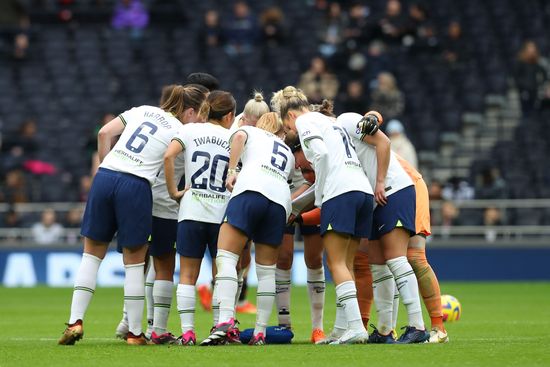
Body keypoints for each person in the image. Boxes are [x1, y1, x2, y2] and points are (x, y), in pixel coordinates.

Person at [58, 85, 192, 346]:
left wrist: (108, 163)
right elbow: (168, 157)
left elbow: (105, 132)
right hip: (136, 184)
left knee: (90, 255)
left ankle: (75, 321)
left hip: (106, 176)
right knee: (134, 262)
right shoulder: (179, 130)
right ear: (187, 110)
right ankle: (134, 332)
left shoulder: (142, 109)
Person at [271, 86, 372, 345]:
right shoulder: (332, 122)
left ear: (290, 117)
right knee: (346, 264)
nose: (293, 134)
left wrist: (320, 197)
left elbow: (323, 156)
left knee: (335, 263)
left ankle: (356, 328)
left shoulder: (305, 121)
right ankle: (341, 329)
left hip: (340, 193)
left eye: (289, 129)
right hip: (362, 190)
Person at [201, 112, 293, 346]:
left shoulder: (251, 131)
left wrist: (232, 171)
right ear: (280, 130)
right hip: (280, 202)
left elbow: (239, 135)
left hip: (251, 189)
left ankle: (225, 321)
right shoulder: (288, 152)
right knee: (266, 272)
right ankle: (260, 332)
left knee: (226, 258)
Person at [338, 111, 429, 344]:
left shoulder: (344, 123)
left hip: (393, 189)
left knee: (396, 259)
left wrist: (380, 180)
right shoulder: (332, 143)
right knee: (378, 266)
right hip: (376, 200)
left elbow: (383, 140)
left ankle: (418, 326)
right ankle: (385, 330)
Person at [162, 90, 235, 346]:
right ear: (229, 116)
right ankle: (218, 328)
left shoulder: (191, 130)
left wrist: (174, 191)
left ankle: (188, 332)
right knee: (221, 274)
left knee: (187, 276)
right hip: (221, 214)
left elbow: (169, 155)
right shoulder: (232, 137)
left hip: (191, 210)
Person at [272, 101, 333, 344]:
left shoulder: (311, 133)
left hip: (312, 199)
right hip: (287, 196)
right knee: (284, 257)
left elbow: (315, 179)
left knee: (314, 259)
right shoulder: (278, 132)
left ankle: (317, 328)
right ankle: (284, 324)